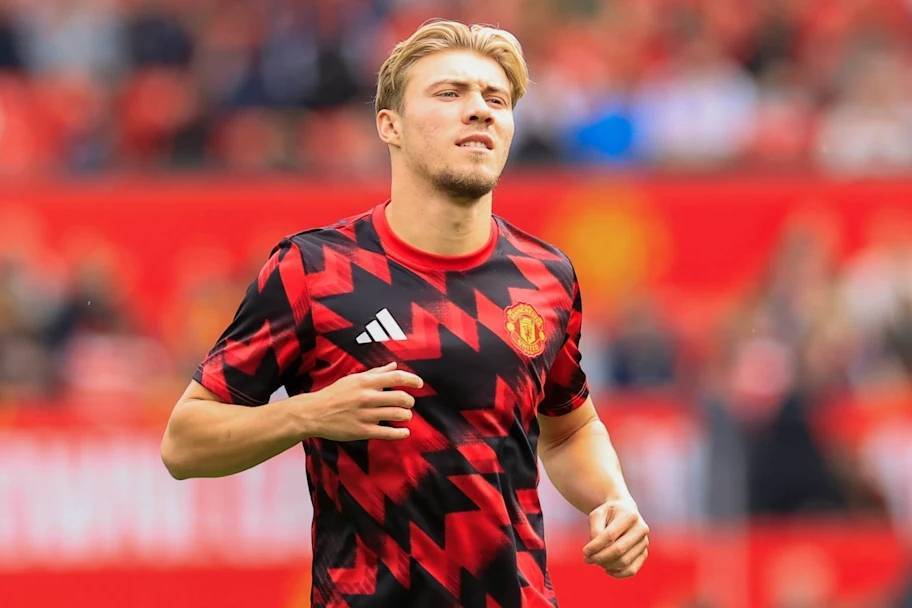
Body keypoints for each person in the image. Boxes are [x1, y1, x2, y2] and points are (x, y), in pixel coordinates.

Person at [160, 19, 649, 607]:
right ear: (389, 125)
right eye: (450, 93)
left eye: (496, 99)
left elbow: (569, 428)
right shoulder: (313, 271)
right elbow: (184, 443)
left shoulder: (546, 276)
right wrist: (308, 414)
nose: (479, 110)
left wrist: (613, 498)